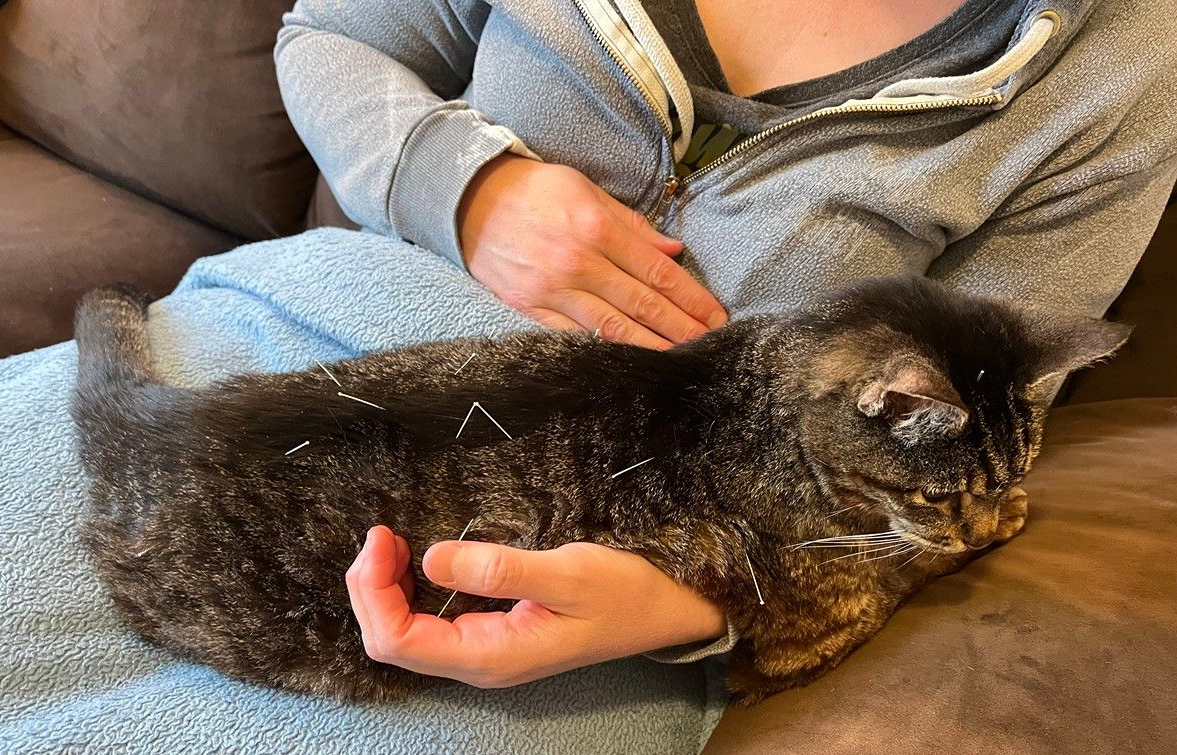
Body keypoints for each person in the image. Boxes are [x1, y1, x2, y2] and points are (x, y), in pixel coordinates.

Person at [274, 0, 1177, 690]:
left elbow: (967, 445)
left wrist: (698, 604)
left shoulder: (1125, 62)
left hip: (606, 572)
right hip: (298, 336)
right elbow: (327, 35)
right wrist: (466, 188)